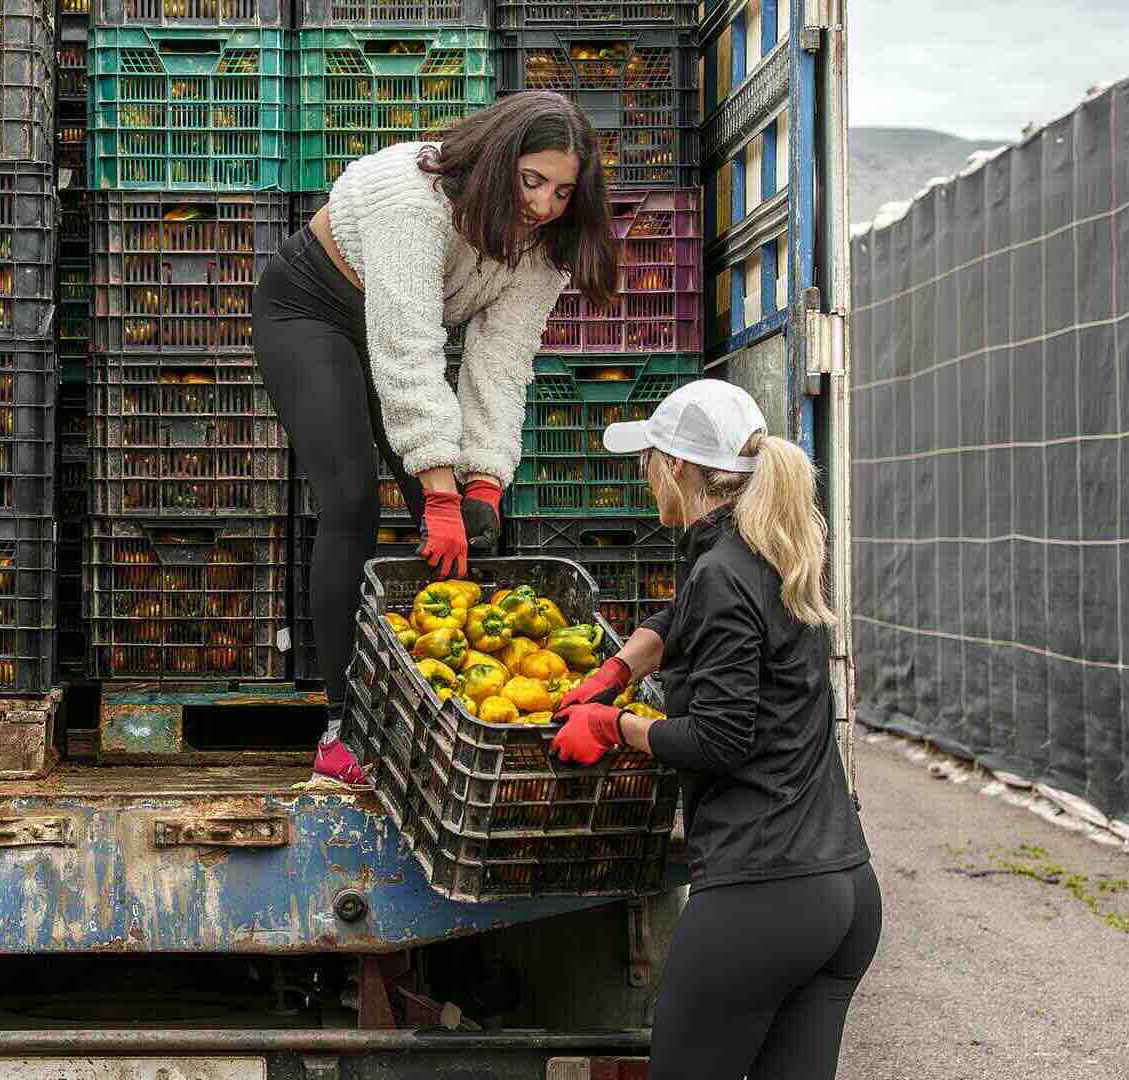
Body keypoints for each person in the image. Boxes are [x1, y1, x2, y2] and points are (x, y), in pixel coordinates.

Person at [253, 92, 617, 788]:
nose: (543, 205)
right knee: (351, 498)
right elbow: (408, 346)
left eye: (563, 192)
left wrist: (480, 483)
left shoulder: (543, 248)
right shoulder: (411, 199)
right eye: (532, 181)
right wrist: (438, 484)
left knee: (467, 523)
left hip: (396, 334)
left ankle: (442, 702)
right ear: (499, 159)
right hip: (311, 310)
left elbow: (501, 362)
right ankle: (341, 729)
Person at [549, 380, 881, 1080]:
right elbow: (693, 622)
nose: (644, 476)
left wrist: (618, 725)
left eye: (648, 460)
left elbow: (720, 741)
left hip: (764, 893)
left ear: (675, 468)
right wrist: (620, 666)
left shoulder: (721, 571)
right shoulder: (769, 550)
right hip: (842, 888)